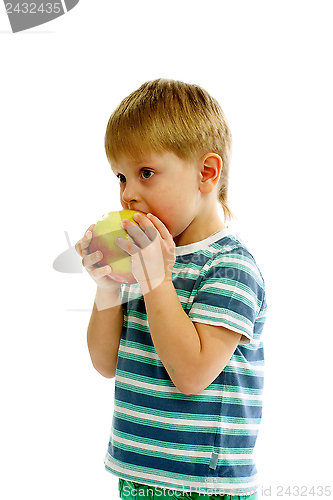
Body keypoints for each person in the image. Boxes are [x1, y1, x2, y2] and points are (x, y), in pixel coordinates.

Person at [75, 79, 267, 500]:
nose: (128, 194)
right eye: (121, 177)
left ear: (206, 173)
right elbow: (106, 363)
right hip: (138, 474)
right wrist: (107, 285)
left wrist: (156, 280)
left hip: (204, 484)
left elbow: (192, 374)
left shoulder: (230, 267)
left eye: (146, 173)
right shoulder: (146, 261)